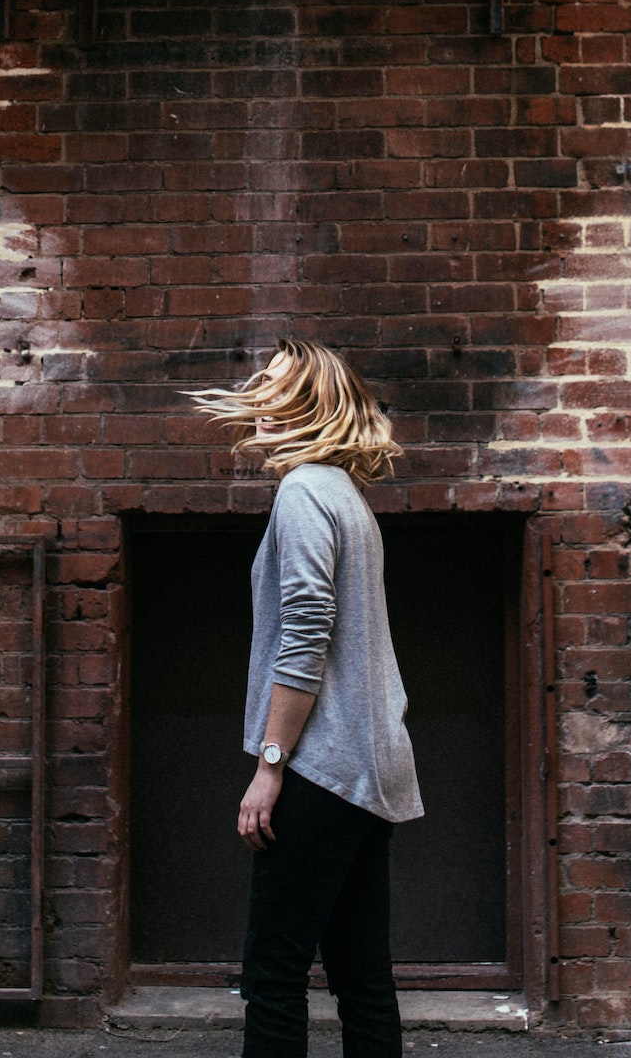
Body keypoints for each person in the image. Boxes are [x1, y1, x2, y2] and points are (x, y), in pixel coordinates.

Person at [190, 339, 423, 1058]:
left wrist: (270, 764)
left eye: (282, 390)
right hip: (370, 771)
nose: (263, 402)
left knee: (274, 974)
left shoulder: (302, 493)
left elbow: (305, 634)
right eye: (262, 387)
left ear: (316, 404)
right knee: (363, 977)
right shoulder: (345, 496)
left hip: (320, 769)